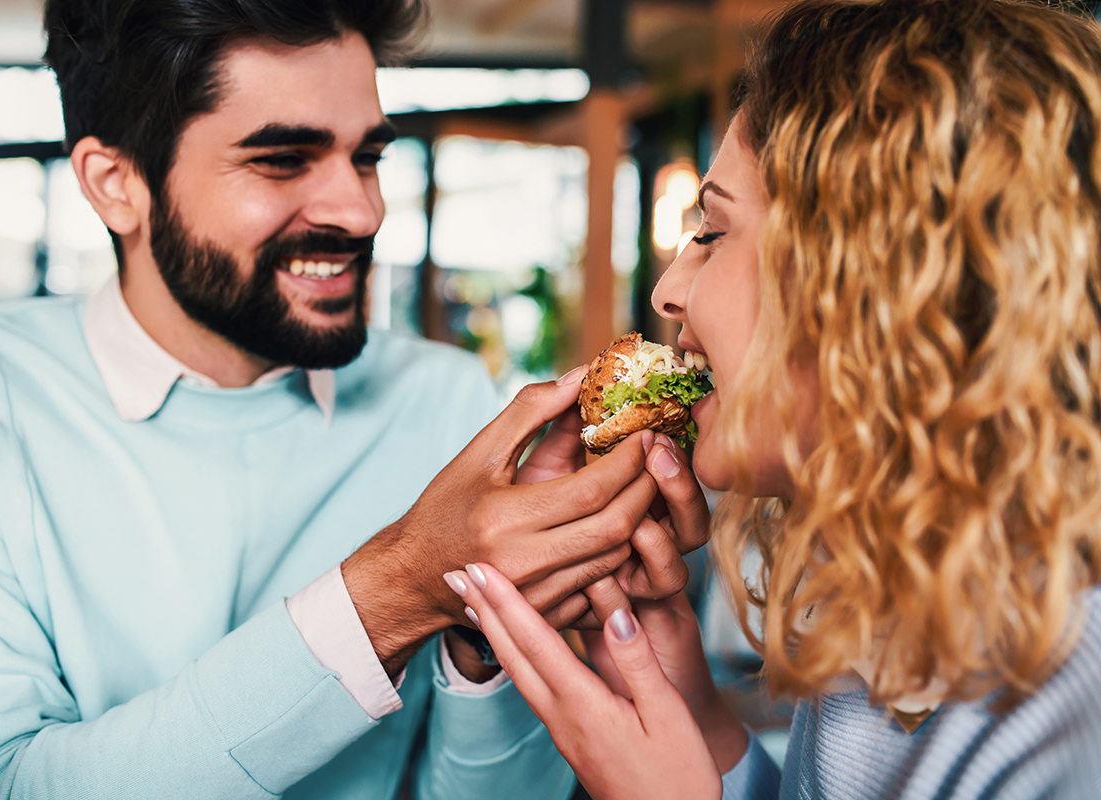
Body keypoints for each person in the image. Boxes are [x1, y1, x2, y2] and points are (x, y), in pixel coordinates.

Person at [0, 0, 708, 797]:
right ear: (116, 185)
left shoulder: (446, 400)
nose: (362, 212)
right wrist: (398, 587)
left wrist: (485, 633)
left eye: (368, 158)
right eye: (282, 160)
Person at [445, 0, 1101, 797]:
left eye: (713, 233)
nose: (666, 292)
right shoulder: (890, 588)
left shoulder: (1070, 698)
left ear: (870, 276)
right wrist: (696, 717)